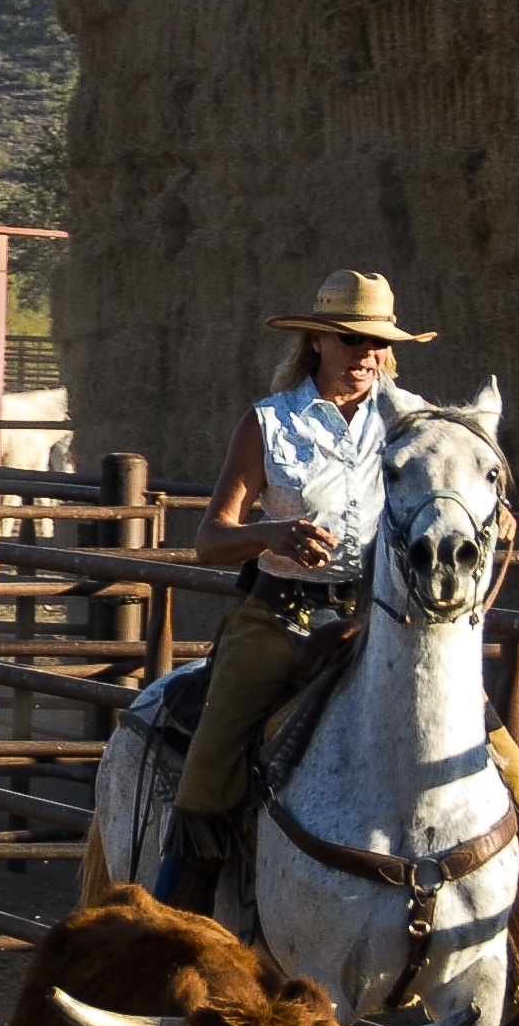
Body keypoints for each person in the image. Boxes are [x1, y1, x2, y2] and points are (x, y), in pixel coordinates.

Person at [156, 268, 433, 898]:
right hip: (278, 620)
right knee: (210, 770)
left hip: (375, 619)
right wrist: (271, 535)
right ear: (317, 341)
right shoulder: (269, 421)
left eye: (378, 342)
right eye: (352, 340)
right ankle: (172, 925)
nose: (368, 355)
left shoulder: (410, 423)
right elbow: (210, 540)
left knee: (483, 733)